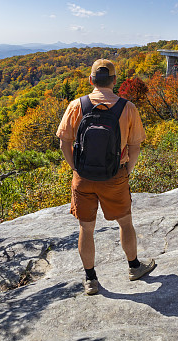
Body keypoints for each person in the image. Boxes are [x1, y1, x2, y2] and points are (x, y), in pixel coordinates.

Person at [56, 58, 156, 295]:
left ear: (91, 80)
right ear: (114, 81)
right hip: (115, 176)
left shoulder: (76, 106)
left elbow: (64, 143)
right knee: (125, 222)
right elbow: (135, 147)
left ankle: (91, 280)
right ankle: (133, 267)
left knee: (86, 229)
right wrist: (125, 172)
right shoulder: (127, 107)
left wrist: (76, 167)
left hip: (84, 177)